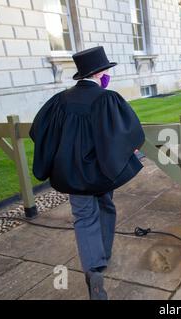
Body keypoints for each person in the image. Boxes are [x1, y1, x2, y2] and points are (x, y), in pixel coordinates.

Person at [29, 46, 145, 300]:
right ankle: (102, 256)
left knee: (83, 217)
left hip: (70, 175)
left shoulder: (59, 100)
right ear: (100, 73)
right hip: (102, 172)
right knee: (106, 205)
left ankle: (93, 270)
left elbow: (38, 131)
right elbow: (130, 134)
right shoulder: (107, 99)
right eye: (106, 72)